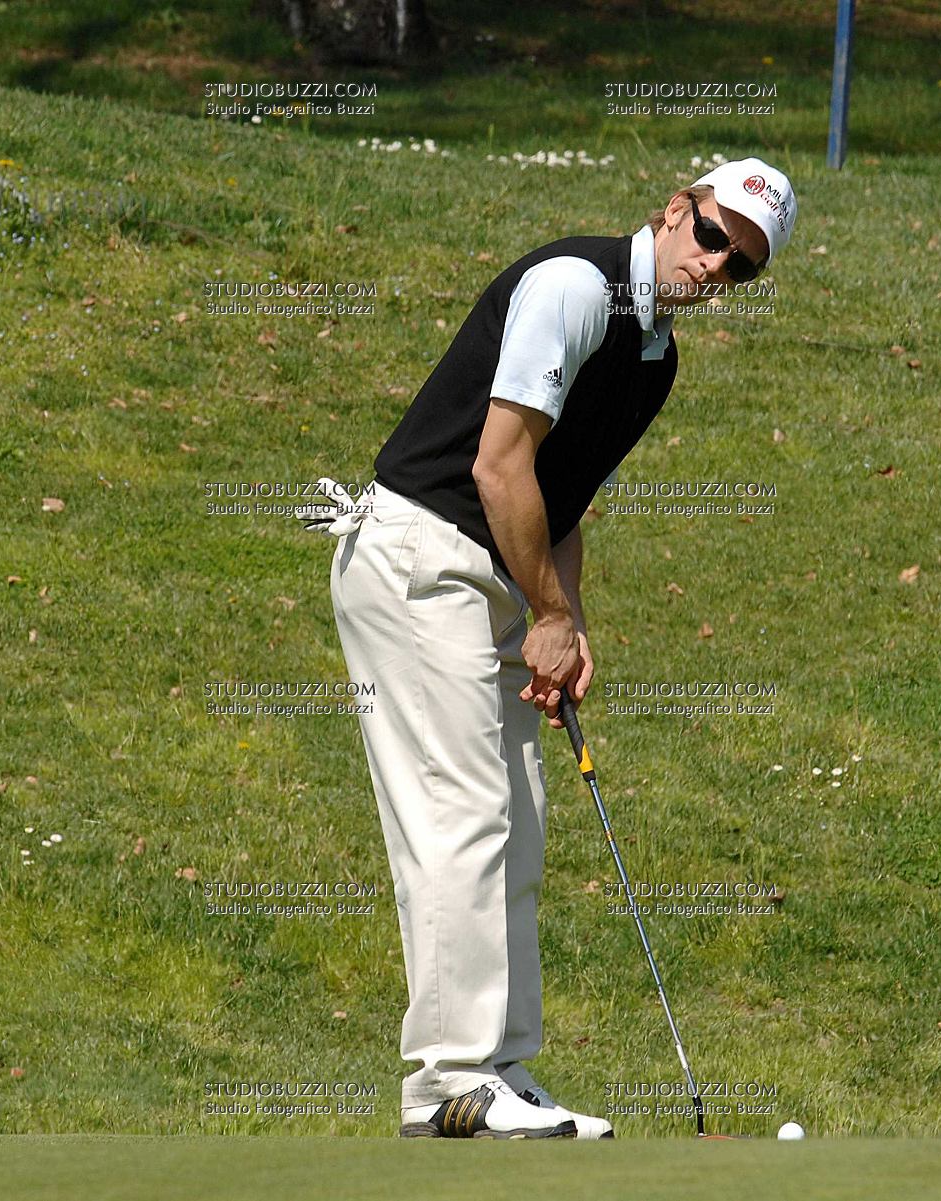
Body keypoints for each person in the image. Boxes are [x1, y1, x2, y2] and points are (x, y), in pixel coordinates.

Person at [321, 157, 797, 1139]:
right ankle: (446, 1082)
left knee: (521, 819)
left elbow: (558, 501)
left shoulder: (655, 359)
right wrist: (543, 613)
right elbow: (499, 468)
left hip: (492, 575)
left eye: (741, 265)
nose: (715, 266)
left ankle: (498, 1067)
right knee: (464, 814)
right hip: (419, 555)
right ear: (676, 209)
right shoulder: (573, 287)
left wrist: (566, 623)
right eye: (712, 236)